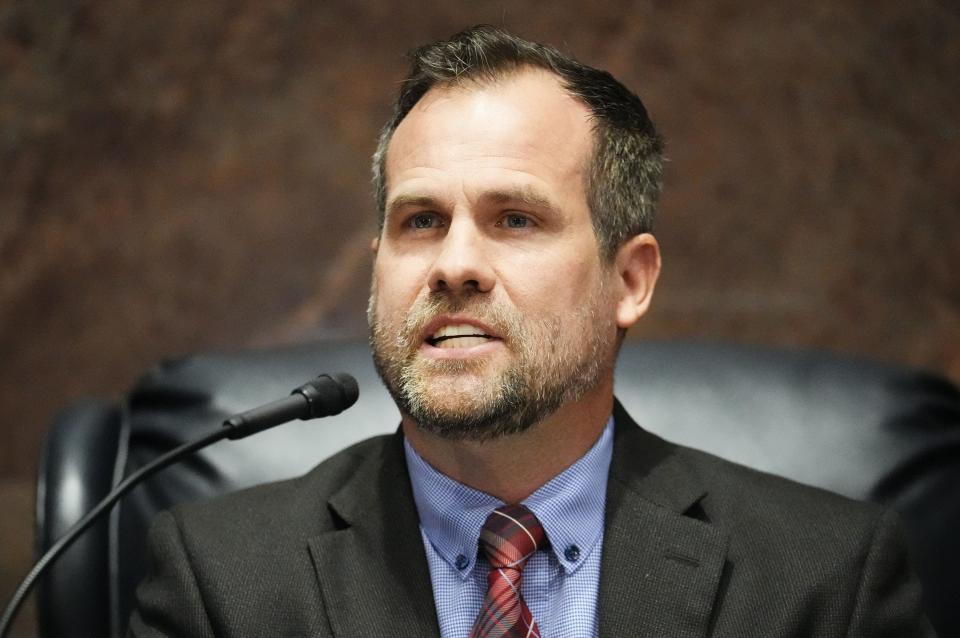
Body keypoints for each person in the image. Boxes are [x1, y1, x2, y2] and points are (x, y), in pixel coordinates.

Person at [129, 25, 933, 637]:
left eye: (515, 219)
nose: (454, 264)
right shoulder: (220, 581)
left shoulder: (825, 581)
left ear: (630, 279)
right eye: (420, 221)